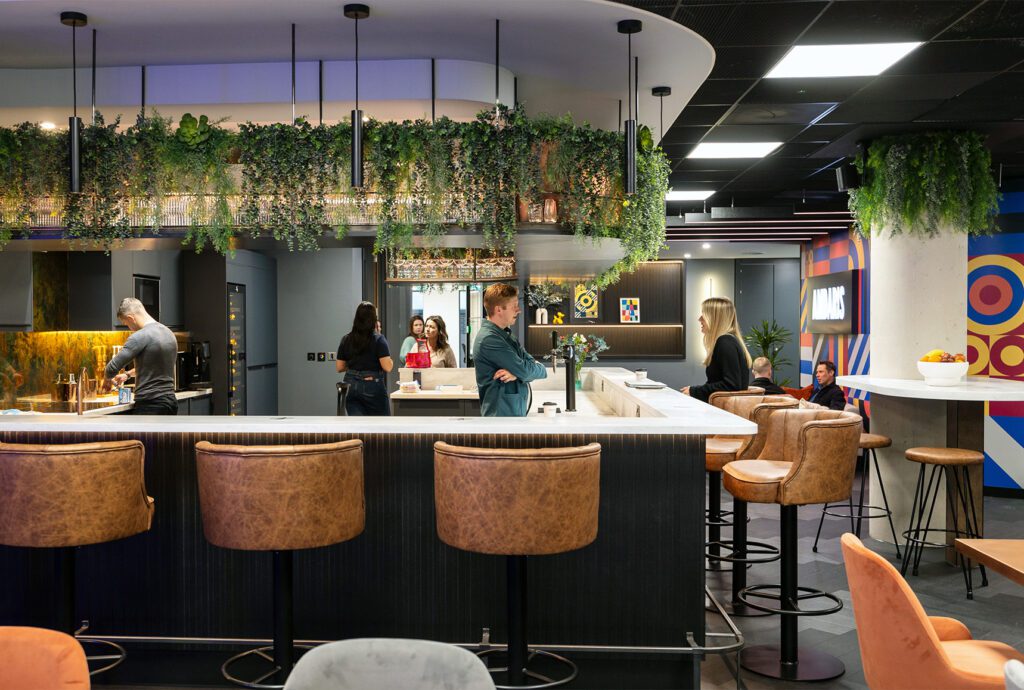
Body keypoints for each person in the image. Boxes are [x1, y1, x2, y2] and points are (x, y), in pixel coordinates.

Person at [473, 283, 547, 417]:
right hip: (500, 419)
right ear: (499, 309)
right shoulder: (489, 339)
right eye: (514, 306)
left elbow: (531, 367)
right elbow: (525, 370)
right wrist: (522, 372)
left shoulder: (506, 334)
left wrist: (517, 373)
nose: (518, 310)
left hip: (511, 416)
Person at [104, 297, 179, 415]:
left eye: (126, 323)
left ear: (131, 318)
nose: (128, 327)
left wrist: (107, 379)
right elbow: (154, 366)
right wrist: (127, 374)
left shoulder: (139, 336)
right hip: (170, 402)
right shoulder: (168, 333)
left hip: (150, 405)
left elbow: (111, 368)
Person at [682, 296, 752, 403]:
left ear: (715, 318)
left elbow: (731, 385)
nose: (700, 319)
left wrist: (695, 391)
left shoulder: (725, 342)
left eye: (704, 314)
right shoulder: (728, 341)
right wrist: (695, 390)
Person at [336, 302, 394, 416]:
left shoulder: (346, 339)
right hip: (372, 383)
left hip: (350, 384)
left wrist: (355, 367)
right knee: (381, 426)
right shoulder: (378, 339)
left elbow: (340, 367)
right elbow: (387, 367)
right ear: (373, 319)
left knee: (358, 427)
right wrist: (391, 361)